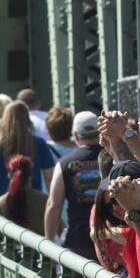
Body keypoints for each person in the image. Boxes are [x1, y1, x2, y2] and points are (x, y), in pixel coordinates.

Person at [44, 111, 103, 259]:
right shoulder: (113, 157)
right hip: (110, 239)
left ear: (76, 135)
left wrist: (48, 242)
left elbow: (54, 205)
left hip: (78, 239)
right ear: (100, 132)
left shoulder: (65, 163)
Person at [0, 101, 56, 208]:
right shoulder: (39, 143)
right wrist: (52, 206)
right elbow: (49, 177)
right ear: (27, 119)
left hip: (5, 202)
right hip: (33, 201)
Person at [0, 154, 48, 233]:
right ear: (31, 175)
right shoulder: (44, 201)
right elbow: (60, 229)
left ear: (9, 175)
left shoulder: (0, 204)